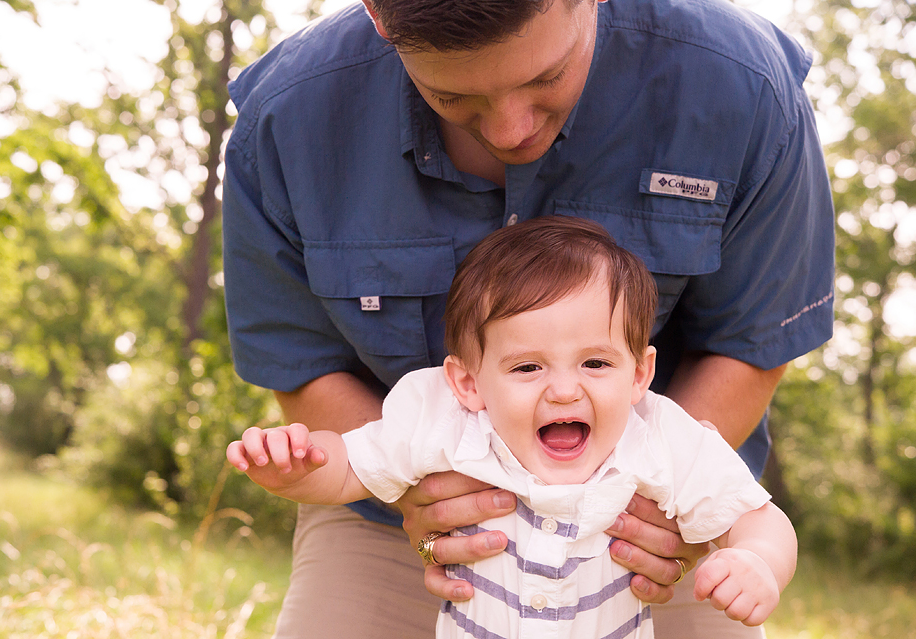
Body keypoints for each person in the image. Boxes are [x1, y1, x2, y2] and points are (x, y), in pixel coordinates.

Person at [221, 0, 835, 637]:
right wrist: (400, 491)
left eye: (546, 78)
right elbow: (305, 371)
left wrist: (689, 528)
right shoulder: (285, 116)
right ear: (380, 18)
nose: (511, 131)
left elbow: (753, 343)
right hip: (386, 513)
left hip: (655, 529)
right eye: (453, 96)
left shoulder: (745, 84)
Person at [227, 216, 798, 639]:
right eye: (527, 367)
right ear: (469, 382)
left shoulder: (662, 440)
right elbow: (349, 466)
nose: (565, 389)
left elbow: (758, 520)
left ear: (639, 373)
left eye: (596, 363)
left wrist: (754, 562)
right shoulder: (446, 423)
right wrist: (296, 467)